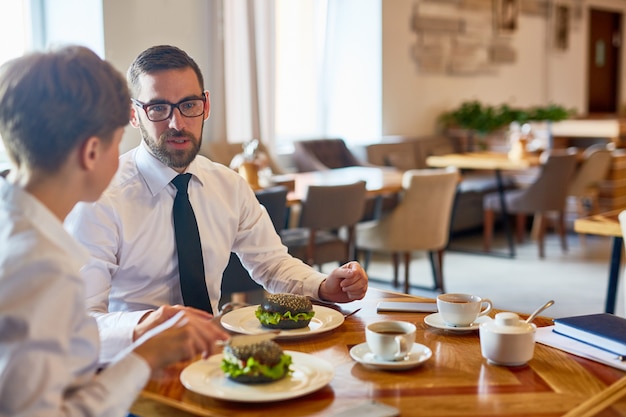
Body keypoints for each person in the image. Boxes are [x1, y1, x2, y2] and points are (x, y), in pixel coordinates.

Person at [64, 45, 368, 363]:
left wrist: (323, 286)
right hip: (131, 369)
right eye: (158, 108)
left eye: (188, 105)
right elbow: (79, 323)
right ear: (134, 114)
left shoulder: (229, 185)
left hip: (212, 357)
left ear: (206, 105)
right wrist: (143, 327)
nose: (176, 123)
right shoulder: (99, 199)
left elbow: (273, 264)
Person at [0, 46, 229, 416]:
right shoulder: (39, 267)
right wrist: (146, 354)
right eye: (118, 138)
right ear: (92, 152)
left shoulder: (17, 230)